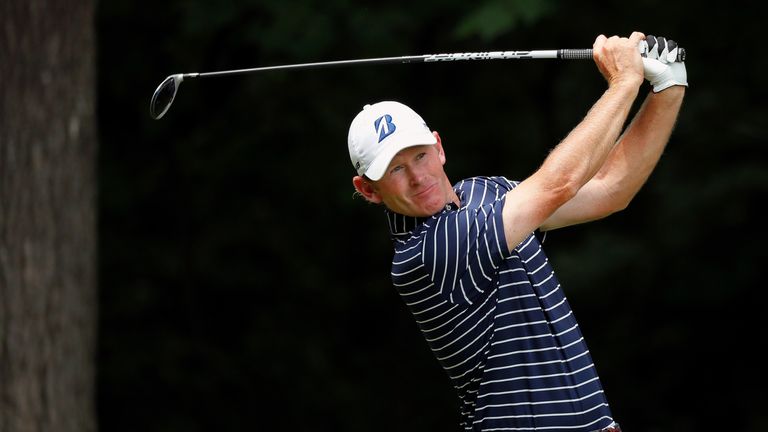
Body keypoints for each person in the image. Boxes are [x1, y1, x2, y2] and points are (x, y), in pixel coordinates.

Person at [347, 32, 686, 432]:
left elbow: (611, 190)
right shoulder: (426, 253)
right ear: (368, 189)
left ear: (438, 148)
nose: (419, 177)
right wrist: (624, 82)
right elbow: (556, 185)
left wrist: (667, 86)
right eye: (396, 170)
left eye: (420, 155)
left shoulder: (485, 193)